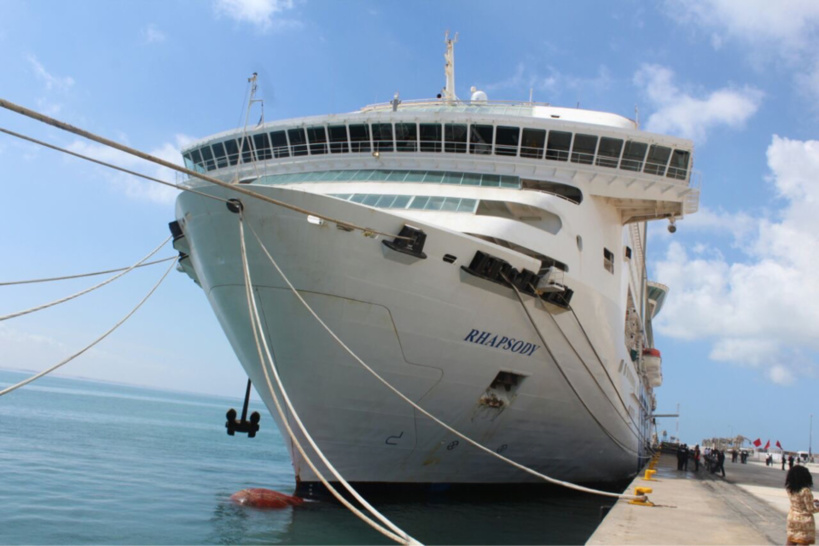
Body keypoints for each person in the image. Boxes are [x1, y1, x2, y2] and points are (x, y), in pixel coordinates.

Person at [785, 465, 819, 545]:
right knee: (803, 542)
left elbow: (798, 501)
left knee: (791, 540)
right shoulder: (805, 490)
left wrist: (811, 501)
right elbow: (811, 509)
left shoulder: (790, 489)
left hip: (792, 518)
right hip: (803, 521)